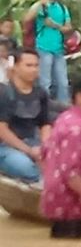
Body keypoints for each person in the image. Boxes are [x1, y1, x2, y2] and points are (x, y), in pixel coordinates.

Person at [41, 76, 81, 238]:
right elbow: (71, 174)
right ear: (80, 97)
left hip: (57, 197)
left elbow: (45, 153)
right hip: (68, 203)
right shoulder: (77, 128)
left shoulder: (65, 118)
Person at [0, 49, 51, 182]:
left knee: (62, 163)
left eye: (36, 65)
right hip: (5, 146)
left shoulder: (41, 93)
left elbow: (45, 124)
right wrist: (28, 151)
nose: (34, 70)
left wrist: (45, 147)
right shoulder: (4, 92)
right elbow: (2, 130)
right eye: (28, 65)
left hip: (32, 142)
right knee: (26, 168)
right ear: (16, 67)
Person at [24, 0, 73, 103]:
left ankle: (63, 108)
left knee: (63, 82)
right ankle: (43, 107)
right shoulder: (41, 6)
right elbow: (27, 18)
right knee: (45, 82)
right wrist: (42, 0)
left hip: (58, 48)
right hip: (43, 47)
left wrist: (56, 26)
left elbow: (68, 28)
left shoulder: (62, 8)